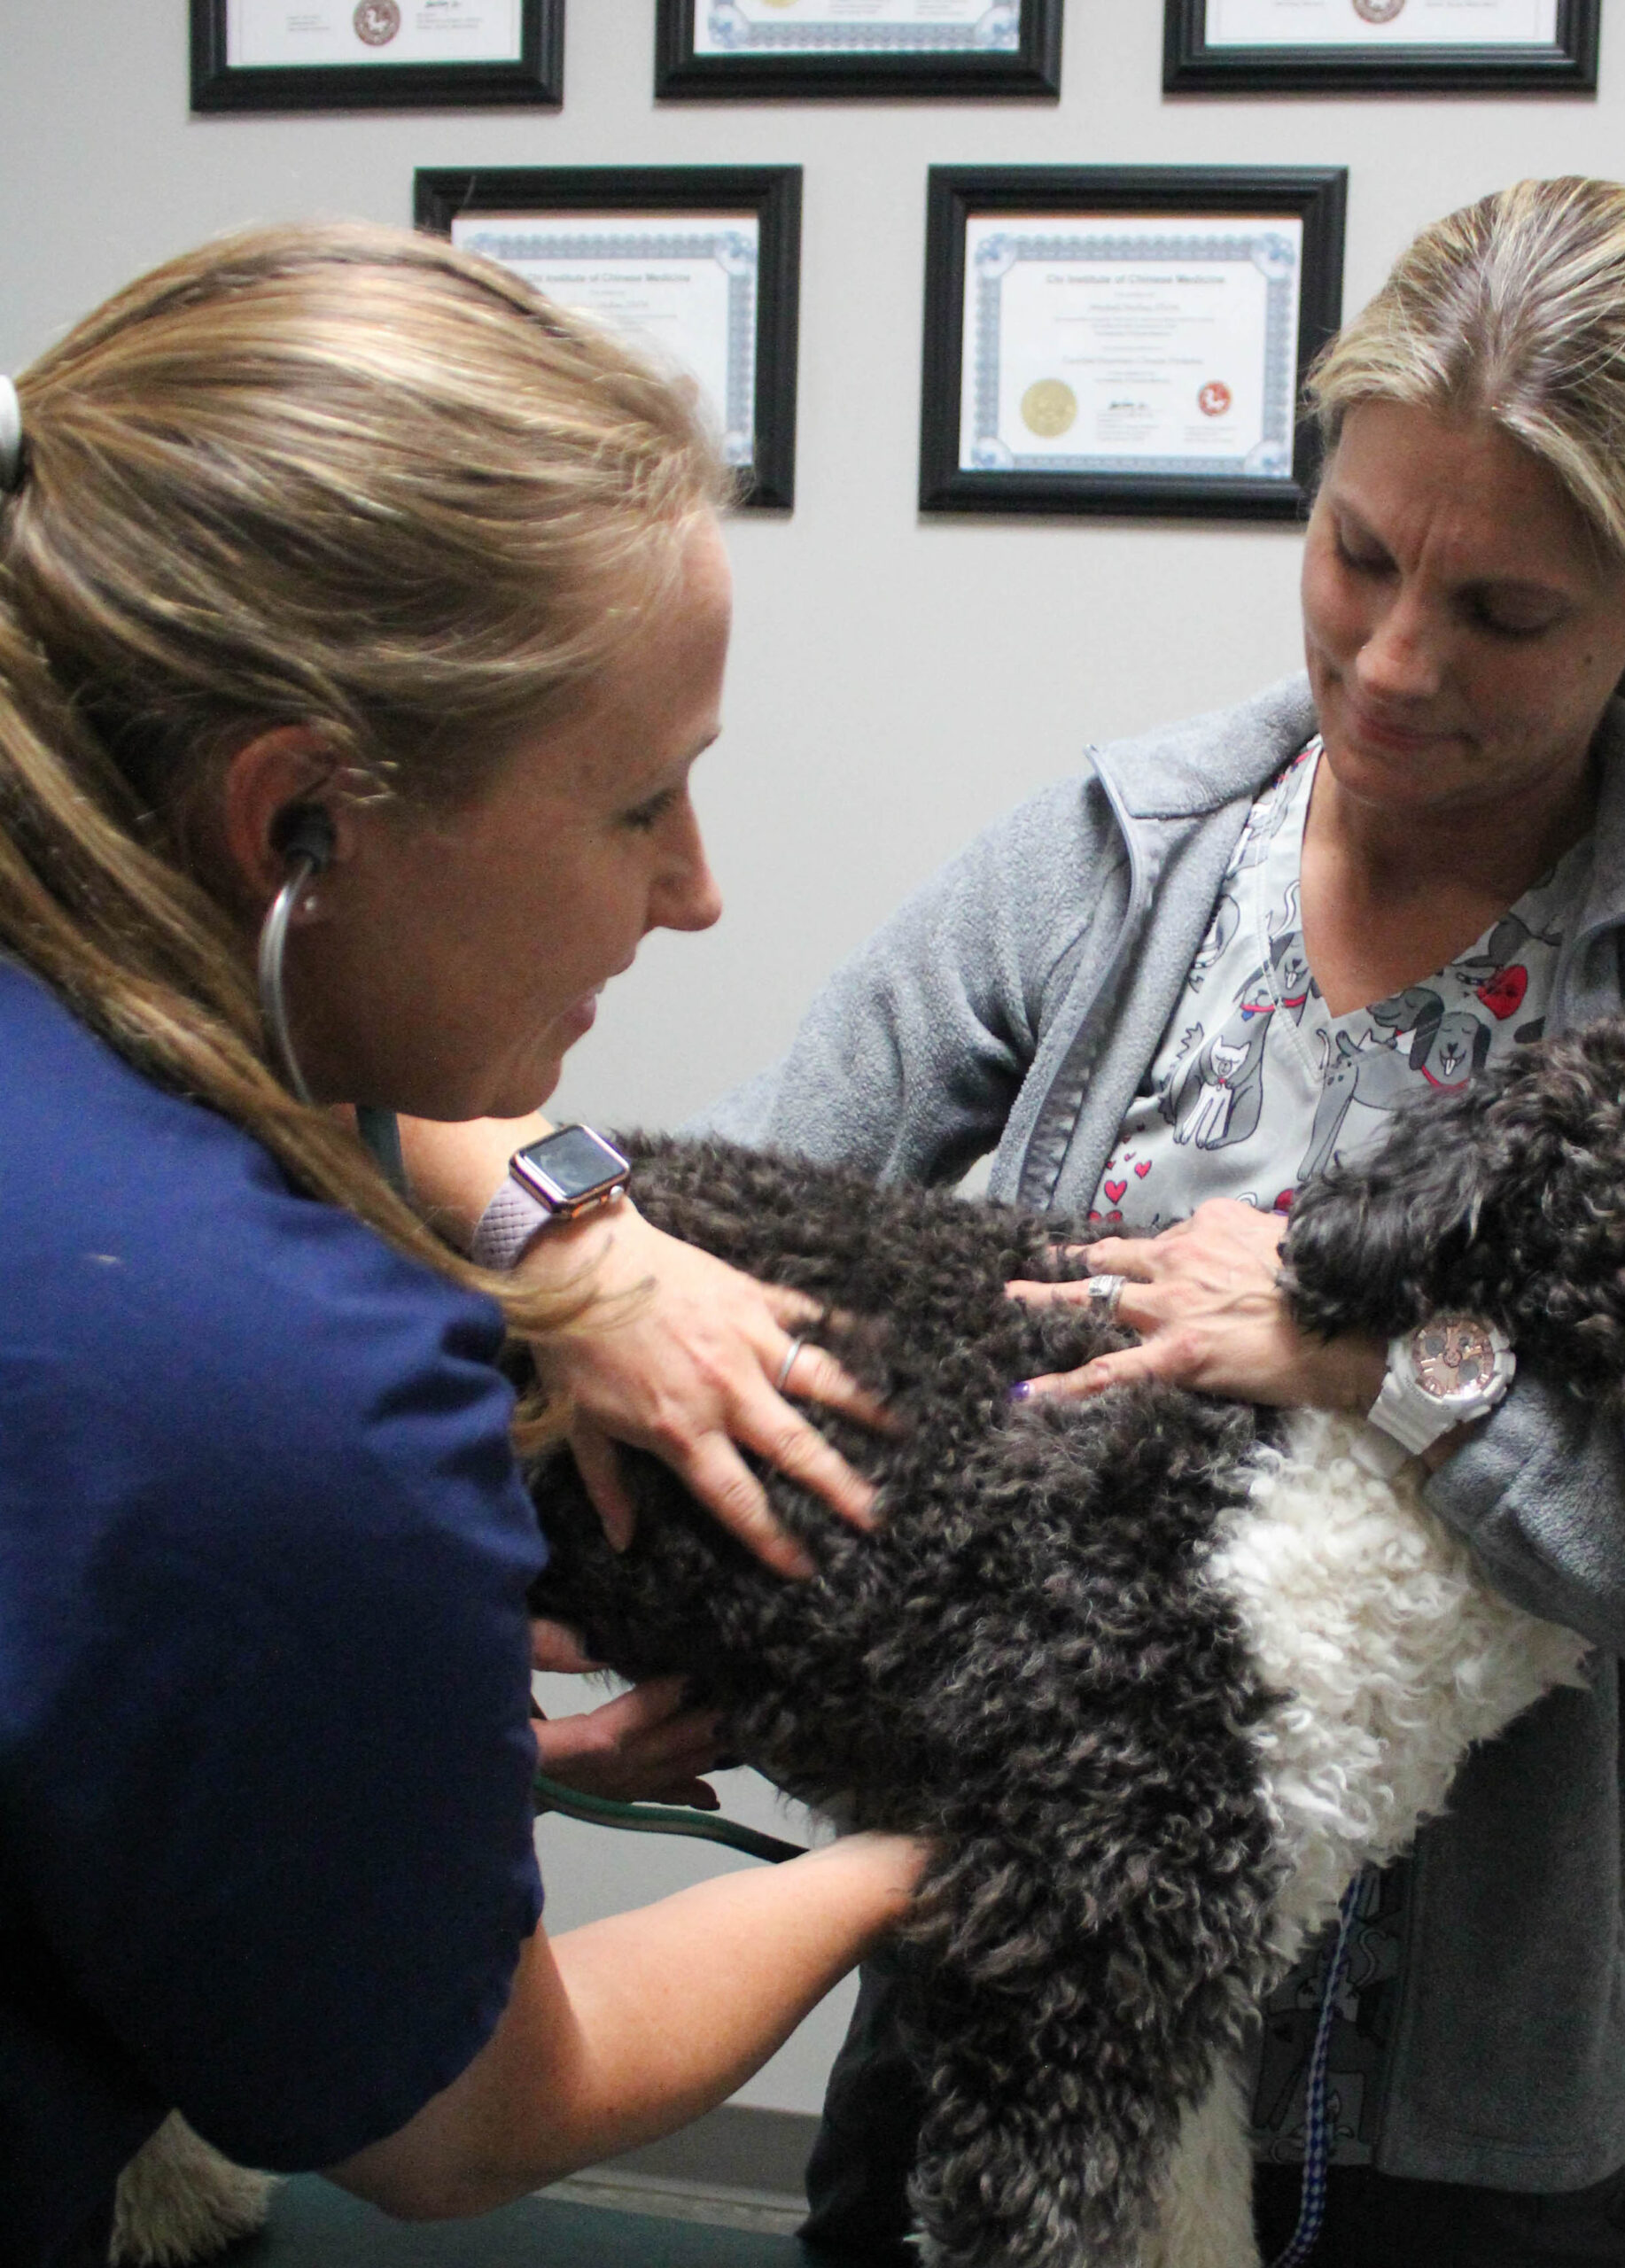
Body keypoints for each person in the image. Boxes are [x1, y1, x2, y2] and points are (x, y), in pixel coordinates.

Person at [410, 179, 1625, 2267]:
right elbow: (707, 1215)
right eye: (1357, 554)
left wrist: (1403, 1373)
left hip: (1459, 2108)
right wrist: (664, 1440)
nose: (1393, 659)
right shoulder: (1125, 853)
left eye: (1501, 612)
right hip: (1019, 1945)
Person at [0, 225, 930, 2268]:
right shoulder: (276, 1375)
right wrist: (941, 1857)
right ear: (297, 821)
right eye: (638, 805)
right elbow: (465, 2124)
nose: (694, 891)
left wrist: (565, 1217)